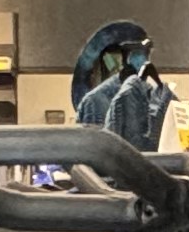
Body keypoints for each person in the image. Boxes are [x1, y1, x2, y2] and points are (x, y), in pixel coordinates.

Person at [70, 18, 170, 150]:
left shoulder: (153, 95)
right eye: (140, 53)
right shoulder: (95, 101)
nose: (145, 59)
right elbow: (96, 156)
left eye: (146, 52)